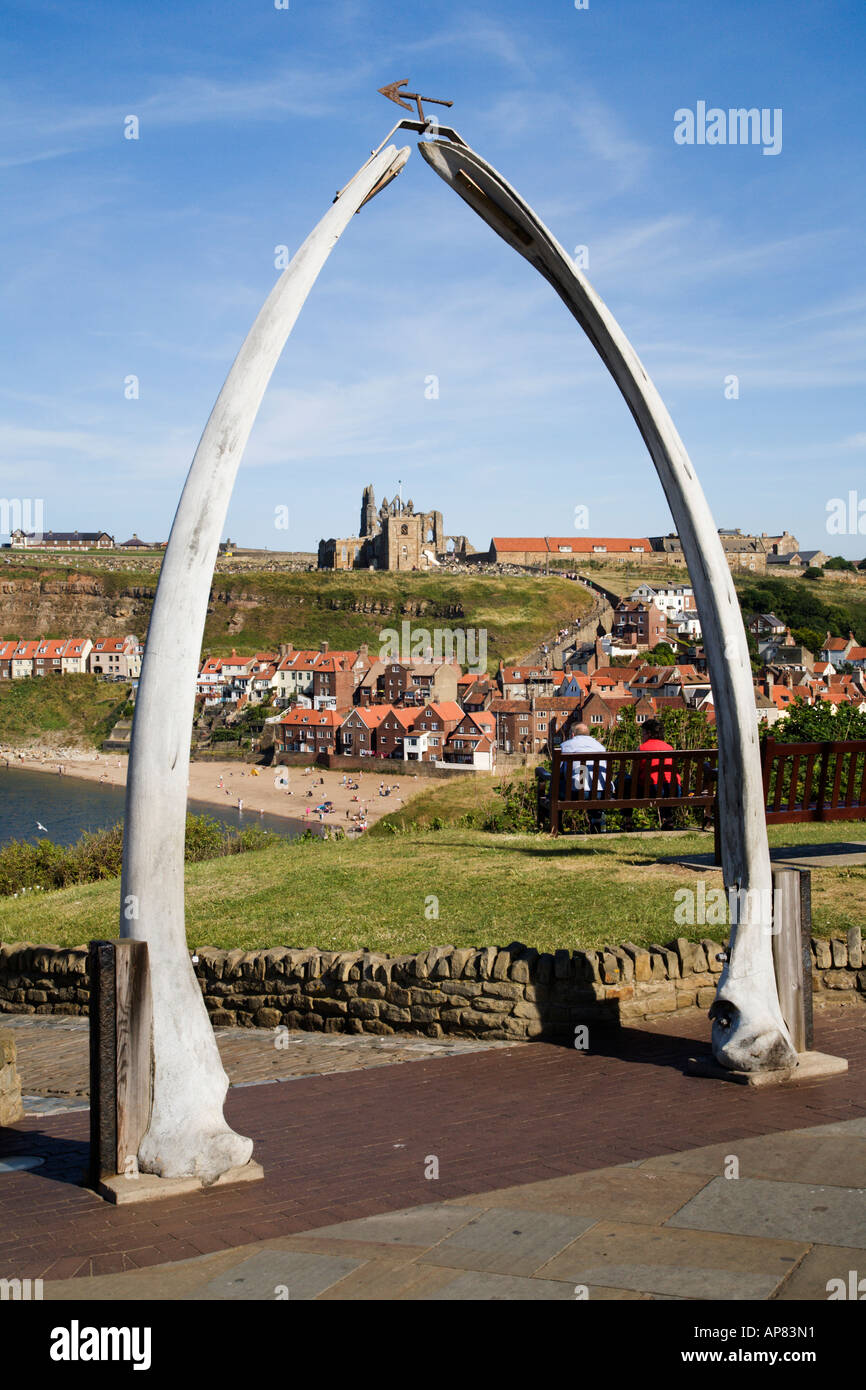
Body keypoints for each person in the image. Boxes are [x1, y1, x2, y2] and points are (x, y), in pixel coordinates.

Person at [558, 721, 607, 832]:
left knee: (556, 785)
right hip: (601, 793)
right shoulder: (601, 747)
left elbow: (559, 772)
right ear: (588, 734)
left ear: (573, 735)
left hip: (576, 792)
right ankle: (597, 824)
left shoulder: (566, 746)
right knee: (593, 787)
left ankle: (556, 825)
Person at [638, 718, 681, 828]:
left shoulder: (642, 748)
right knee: (664, 786)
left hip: (652, 790)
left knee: (627, 782)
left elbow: (637, 772)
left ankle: (627, 821)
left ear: (648, 733)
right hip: (675, 789)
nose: (641, 736)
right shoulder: (669, 748)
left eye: (642, 733)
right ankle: (668, 819)